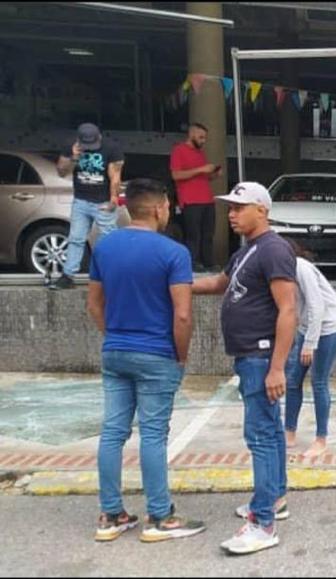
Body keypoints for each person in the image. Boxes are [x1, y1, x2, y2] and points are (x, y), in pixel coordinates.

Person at [85, 178, 205, 543]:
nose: (168, 212)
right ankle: (160, 516)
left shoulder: (104, 247)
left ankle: (110, 515)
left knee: (113, 432)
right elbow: (182, 314)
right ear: (157, 208)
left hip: (116, 351)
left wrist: (114, 336)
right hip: (157, 352)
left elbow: (94, 303)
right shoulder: (173, 253)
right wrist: (180, 355)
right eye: (167, 206)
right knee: (153, 434)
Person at [193, 181, 296, 556]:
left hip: (261, 355)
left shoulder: (273, 250)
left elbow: (288, 310)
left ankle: (262, 521)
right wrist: (178, 285)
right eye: (230, 208)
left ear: (262, 210)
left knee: (261, 435)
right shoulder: (246, 252)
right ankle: (275, 496)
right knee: (268, 430)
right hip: (251, 356)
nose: (232, 214)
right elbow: (220, 284)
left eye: (240, 207)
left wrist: (277, 368)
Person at [283, 239, 336, 460]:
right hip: (307, 326)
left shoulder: (301, 268)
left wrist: (310, 344)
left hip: (329, 327)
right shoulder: (281, 270)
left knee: (318, 382)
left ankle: (321, 439)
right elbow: (291, 308)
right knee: (293, 379)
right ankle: (289, 432)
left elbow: (316, 306)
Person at [53, 122, 124, 290]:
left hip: (103, 200)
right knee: (76, 238)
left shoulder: (111, 148)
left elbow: (115, 175)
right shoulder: (70, 147)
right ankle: (67, 275)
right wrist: (74, 157)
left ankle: (111, 275)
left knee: (108, 239)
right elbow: (61, 172)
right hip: (81, 200)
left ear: (99, 137)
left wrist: (114, 198)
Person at [170, 122, 221, 272]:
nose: (203, 141)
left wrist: (213, 174)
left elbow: (202, 177)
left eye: (205, 138)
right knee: (194, 234)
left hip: (207, 198)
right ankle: (193, 262)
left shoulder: (200, 153)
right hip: (190, 200)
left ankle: (208, 262)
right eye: (201, 137)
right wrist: (201, 169)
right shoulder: (179, 150)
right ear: (192, 134)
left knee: (208, 233)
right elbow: (176, 175)